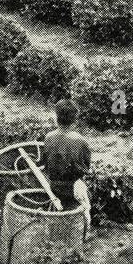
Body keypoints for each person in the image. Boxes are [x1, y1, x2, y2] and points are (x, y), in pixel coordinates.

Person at [40, 99, 91, 231]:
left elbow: (45, 164)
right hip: (72, 189)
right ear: (75, 120)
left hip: (53, 186)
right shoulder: (80, 141)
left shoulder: (48, 137)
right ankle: (84, 229)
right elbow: (86, 168)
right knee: (86, 207)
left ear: (56, 118)